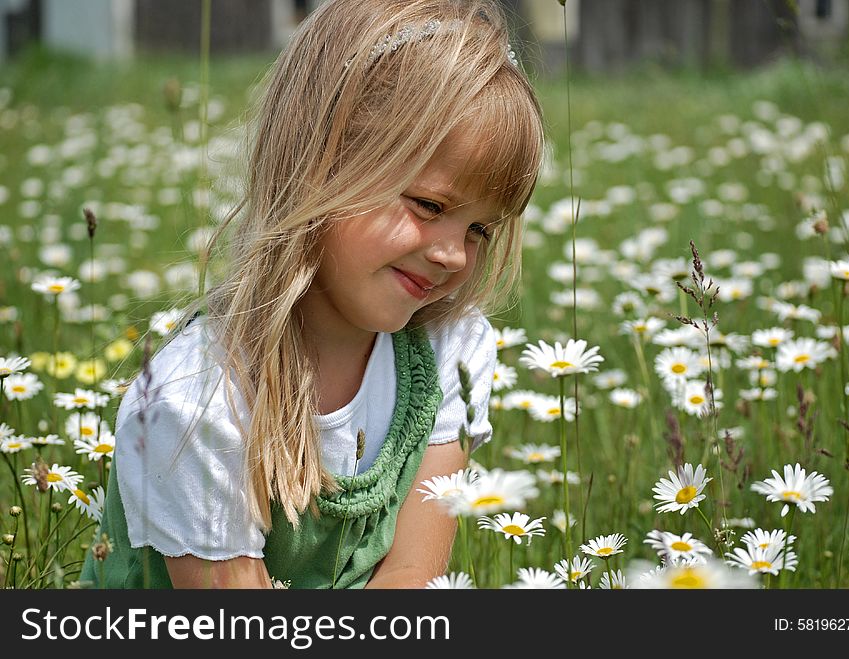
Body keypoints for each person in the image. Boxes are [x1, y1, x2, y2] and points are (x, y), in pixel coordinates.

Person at [80, 0, 544, 589]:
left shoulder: (446, 350)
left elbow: (411, 573)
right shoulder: (201, 401)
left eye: (479, 230)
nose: (454, 254)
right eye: (430, 206)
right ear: (318, 165)